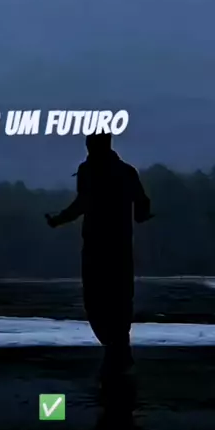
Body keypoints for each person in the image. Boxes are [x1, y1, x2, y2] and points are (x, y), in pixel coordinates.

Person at [45, 132, 153, 394]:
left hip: (96, 245)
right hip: (120, 246)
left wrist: (59, 219)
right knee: (120, 299)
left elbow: (82, 202)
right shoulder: (127, 172)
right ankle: (119, 353)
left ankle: (115, 352)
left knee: (96, 299)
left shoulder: (89, 170)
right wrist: (142, 215)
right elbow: (142, 205)